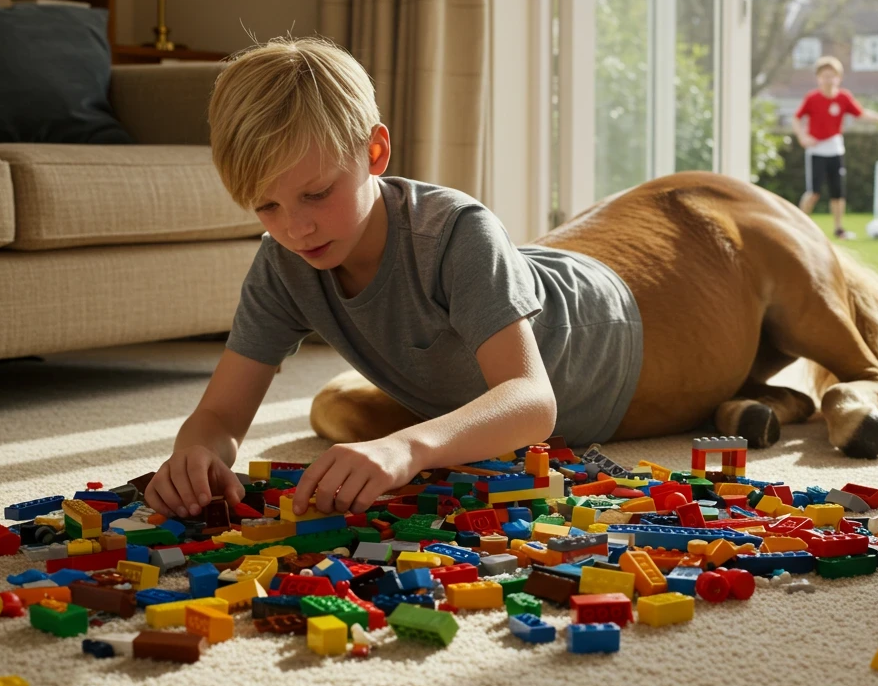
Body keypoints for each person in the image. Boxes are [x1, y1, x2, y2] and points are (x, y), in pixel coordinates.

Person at [146, 37, 642, 518]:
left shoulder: (457, 232)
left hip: (600, 328)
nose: (296, 228)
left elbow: (532, 402)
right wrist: (196, 453)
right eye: (267, 206)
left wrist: (406, 449)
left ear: (375, 153)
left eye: (316, 193)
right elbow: (220, 416)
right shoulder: (283, 261)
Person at [793, 56, 878, 239]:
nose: (828, 80)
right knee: (813, 192)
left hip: (835, 149)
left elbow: (860, 113)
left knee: (838, 193)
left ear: (838, 78)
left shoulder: (843, 97)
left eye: (832, 76)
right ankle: (798, 227)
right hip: (817, 151)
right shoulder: (812, 98)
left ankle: (839, 229)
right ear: (818, 78)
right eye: (825, 76)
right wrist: (803, 137)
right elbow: (796, 118)